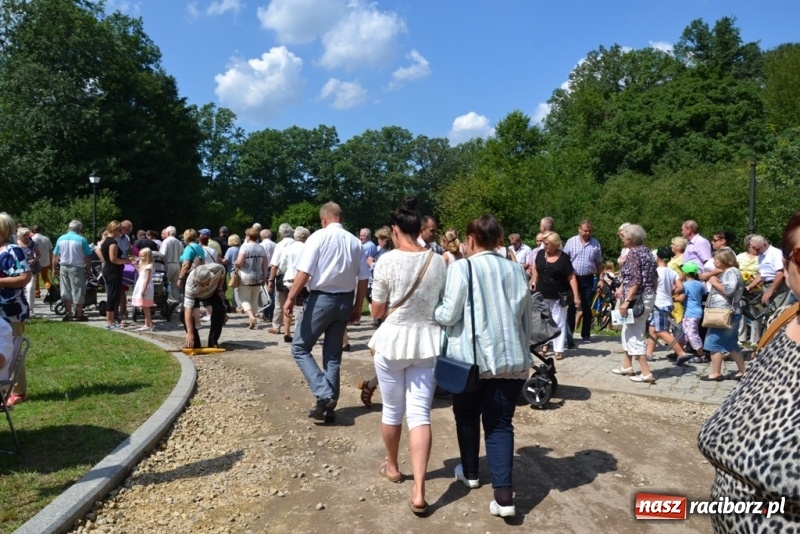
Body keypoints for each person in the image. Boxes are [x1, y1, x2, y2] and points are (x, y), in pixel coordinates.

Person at [697, 210, 800, 532]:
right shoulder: (782, 322)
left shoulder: (728, 274)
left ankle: (717, 371)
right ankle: (730, 369)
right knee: (726, 349)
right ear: (788, 266)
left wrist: (712, 279)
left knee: (720, 347)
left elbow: (728, 293)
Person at [435, 214, 532, 519]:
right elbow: (522, 314)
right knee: (500, 424)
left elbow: (449, 314)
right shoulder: (516, 269)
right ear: (499, 239)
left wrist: (435, 311)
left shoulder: (462, 267)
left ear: (471, 239)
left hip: (471, 361)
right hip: (511, 359)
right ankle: (504, 497)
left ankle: (472, 472)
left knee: (466, 414)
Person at [366, 198, 446, 514]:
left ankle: (393, 466)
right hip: (427, 342)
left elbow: (377, 310)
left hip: (392, 342)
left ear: (396, 230)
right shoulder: (437, 260)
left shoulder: (386, 261)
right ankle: (419, 490)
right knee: (420, 414)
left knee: (392, 410)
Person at [284, 202, 370, 424]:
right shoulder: (355, 241)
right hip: (345, 300)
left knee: (300, 347)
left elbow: (305, 272)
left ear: (323, 219)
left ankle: (324, 393)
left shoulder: (318, 237)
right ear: (340, 218)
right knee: (333, 357)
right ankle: (330, 407)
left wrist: (291, 297)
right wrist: (358, 306)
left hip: (322, 299)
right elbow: (363, 277)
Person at [611, 224, 657, 383]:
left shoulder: (633, 254)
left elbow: (636, 281)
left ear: (630, 239)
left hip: (636, 298)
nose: (621, 239)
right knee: (627, 329)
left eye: (623, 236)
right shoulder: (648, 252)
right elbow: (654, 277)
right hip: (647, 296)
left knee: (635, 334)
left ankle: (646, 372)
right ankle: (627, 365)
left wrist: (627, 301)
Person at [530, 231, 579, 360]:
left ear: (555, 244)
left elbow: (571, 277)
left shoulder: (564, 258)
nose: (544, 246)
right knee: (543, 321)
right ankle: (544, 345)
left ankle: (559, 349)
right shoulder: (540, 254)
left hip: (559, 295)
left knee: (559, 322)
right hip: (542, 293)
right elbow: (536, 268)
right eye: (543, 244)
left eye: (547, 244)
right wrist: (534, 280)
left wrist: (576, 296)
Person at [700, 248, 746, 381]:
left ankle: (715, 373)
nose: (714, 261)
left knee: (712, 342)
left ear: (725, 259)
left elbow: (729, 291)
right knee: (731, 343)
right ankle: (742, 370)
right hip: (728, 311)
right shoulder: (729, 271)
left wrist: (714, 282)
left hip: (724, 313)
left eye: (717, 259)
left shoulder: (731, 272)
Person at [0, 212, 31, 406]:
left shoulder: (12, 250)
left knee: (13, 350)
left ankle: (18, 391)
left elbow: (24, 277)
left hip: (11, 309)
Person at [563, 220, 604, 344]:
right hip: (572, 277)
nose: (587, 233)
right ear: (579, 229)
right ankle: (569, 334)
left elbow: (599, 263)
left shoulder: (595, 243)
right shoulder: (571, 242)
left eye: (589, 231)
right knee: (571, 306)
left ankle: (586, 334)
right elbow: (564, 259)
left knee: (587, 306)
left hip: (588, 278)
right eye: (585, 230)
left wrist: (601, 279)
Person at [645, 247, 689, 362]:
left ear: (657, 257)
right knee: (652, 329)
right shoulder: (672, 271)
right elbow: (680, 287)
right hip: (668, 303)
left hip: (659, 304)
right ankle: (648, 354)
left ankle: (681, 353)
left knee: (661, 331)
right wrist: (670, 292)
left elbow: (651, 287)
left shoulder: (656, 272)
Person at [52, 220, 93, 321]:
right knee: (78, 289)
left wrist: (54, 268)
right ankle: (79, 314)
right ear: (79, 229)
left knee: (65, 290)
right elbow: (88, 255)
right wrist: (88, 269)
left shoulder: (60, 238)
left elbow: (55, 255)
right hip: (77, 267)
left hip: (63, 266)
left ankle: (69, 313)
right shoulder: (81, 239)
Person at [181, 263, 227, 349]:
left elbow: (222, 273)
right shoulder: (190, 285)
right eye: (201, 284)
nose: (204, 286)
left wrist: (219, 288)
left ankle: (213, 342)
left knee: (220, 310)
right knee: (182, 314)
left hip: (212, 293)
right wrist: (190, 332)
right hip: (196, 294)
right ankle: (194, 342)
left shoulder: (217, 269)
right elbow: (188, 309)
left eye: (206, 283)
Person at [746, 235, 792, 321]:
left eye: (757, 249)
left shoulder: (775, 253)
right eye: (754, 248)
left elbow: (780, 273)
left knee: (776, 313)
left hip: (778, 287)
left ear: (764, 244)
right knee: (767, 313)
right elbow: (762, 274)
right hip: (767, 286)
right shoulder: (761, 255)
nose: (756, 251)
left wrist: (770, 290)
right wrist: (751, 286)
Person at [280, 227, 311, 342]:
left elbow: (282, 264)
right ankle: (301, 330)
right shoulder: (307, 248)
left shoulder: (288, 248)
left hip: (288, 279)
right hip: (303, 280)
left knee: (288, 305)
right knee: (303, 306)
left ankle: (287, 332)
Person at [235, 228, 268, 330]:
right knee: (254, 298)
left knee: (244, 298)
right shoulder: (261, 248)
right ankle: (251, 318)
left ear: (248, 236)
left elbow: (239, 262)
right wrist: (264, 276)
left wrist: (235, 264)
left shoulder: (244, 247)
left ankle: (251, 317)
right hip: (258, 276)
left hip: (246, 276)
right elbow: (265, 263)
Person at [676, 263, 707, 365]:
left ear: (684, 273)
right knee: (684, 333)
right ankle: (680, 353)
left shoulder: (685, 285)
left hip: (690, 313)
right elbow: (704, 292)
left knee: (691, 334)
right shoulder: (699, 284)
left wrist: (672, 298)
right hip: (697, 311)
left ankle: (701, 355)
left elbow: (681, 298)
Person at [100, 221, 130, 329]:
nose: (120, 232)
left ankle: (112, 320)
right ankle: (110, 321)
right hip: (113, 271)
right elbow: (113, 259)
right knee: (112, 296)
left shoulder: (105, 241)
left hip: (109, 270)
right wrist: (126, 261)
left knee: (114, 295)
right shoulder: (112, 242)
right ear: (113, 230)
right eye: (118, 230)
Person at [267, 223, 295, 335]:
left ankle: (276, 326)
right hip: (295, 276)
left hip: (282, 276)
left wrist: (270, 280)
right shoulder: (297, 243)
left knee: (280, 302)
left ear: (280, 233)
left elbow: (274, 265)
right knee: (295, 303)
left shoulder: (280, 245)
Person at [736, 235, 760, 345]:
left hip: (758, 288)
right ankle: (741, 338)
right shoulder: (740, 257)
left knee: (756, 313)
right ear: (748, 245)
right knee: (740, 312)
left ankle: (755, 339)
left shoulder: (761, 257)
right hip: (741, 288)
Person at [16, 227, 40, 317]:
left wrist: (34, 260)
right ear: (20, 236)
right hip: (18, 270)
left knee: (30, 288)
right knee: (19, 289)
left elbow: (39, 254)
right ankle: (20, 308)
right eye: (24, 235)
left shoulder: (33, 244)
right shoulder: (15, 244)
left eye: (27, 235)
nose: (26, 237)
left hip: (31, 269)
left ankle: (30, 309)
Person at [132, 247, 156, 331]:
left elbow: (147, 279)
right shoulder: (143, 265)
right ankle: (150, 323)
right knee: (144, 306)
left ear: (148, 256)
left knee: (145, 307)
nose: (141, 258)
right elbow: (140, 273)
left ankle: (147, 324)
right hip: (141, 284)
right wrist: (135, 265)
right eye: (140, 256)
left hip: (145, 286)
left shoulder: (149, 266)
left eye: (143, 256)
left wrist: (143, 290)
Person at [159, 226, 184, 302]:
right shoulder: (179, 242)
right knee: (175, 286)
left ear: (168, 233)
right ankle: (175, 301)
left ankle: (165, 300)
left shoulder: (166, 241)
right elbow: (182, 253)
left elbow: (162, 254)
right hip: (177, 264)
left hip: (168, 264)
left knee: (163, 283)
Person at [31, 224, 53, 299]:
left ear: (33, 231)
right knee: (45, 276)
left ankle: (37, 293)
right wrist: (51, 261)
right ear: (41, 230)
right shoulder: (46, 239)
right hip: (46, 261)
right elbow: (50, 251)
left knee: (36, 277)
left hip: (36, 260)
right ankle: (50, 289)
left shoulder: (32, 239)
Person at [224, 234, 242, 312]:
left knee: (236, 288)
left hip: (233, 270)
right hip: (241, 270)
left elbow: (226, 260)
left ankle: (239, 306)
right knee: (239, 288)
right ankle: (235, 305)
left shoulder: (230, 250)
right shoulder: (241, 249)